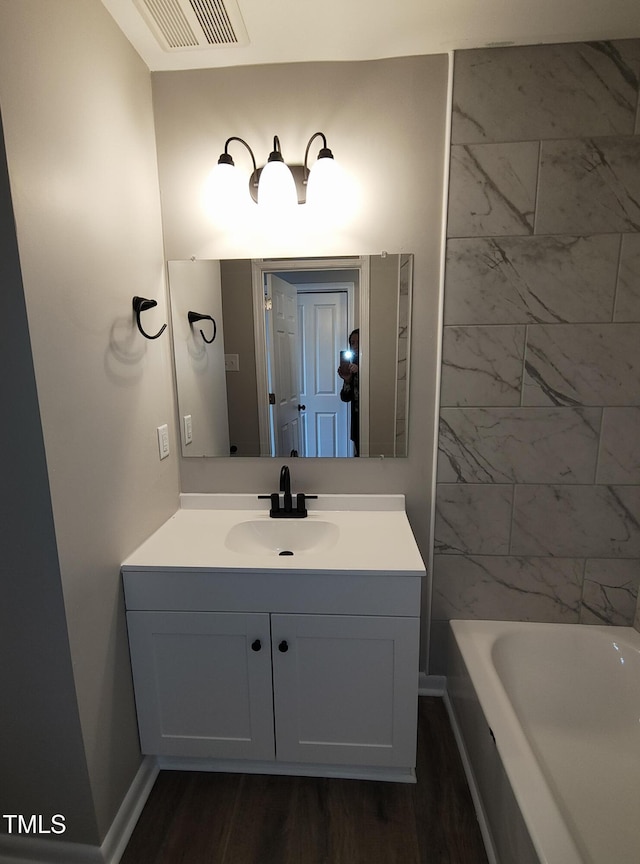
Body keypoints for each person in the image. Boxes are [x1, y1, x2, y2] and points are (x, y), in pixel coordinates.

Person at [338, 328, 359, 456]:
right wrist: (347, 380)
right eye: (352, 343)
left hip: (371, 419)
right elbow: (345, 398)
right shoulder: (350, 366)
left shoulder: (370, 364)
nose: (355, 346)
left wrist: (360, 371)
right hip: (356, 421)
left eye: (358, 342)